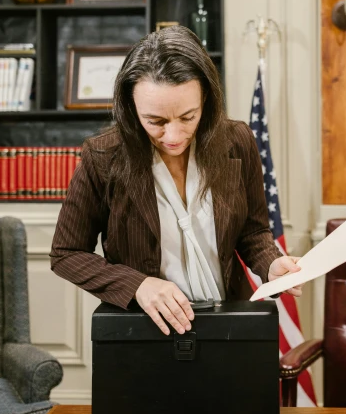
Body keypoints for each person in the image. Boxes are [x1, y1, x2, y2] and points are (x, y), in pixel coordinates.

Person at [50, 25, 302, 336]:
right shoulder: (102, 157)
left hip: (227, 324)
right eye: (155, 121)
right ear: (131, 107)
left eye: (187, 117)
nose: (173, 136)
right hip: (144, 331)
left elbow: (253, 231)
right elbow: (66, 253)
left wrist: (269, 264)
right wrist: (137, 285)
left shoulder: (237, 141)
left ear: (206, 98)